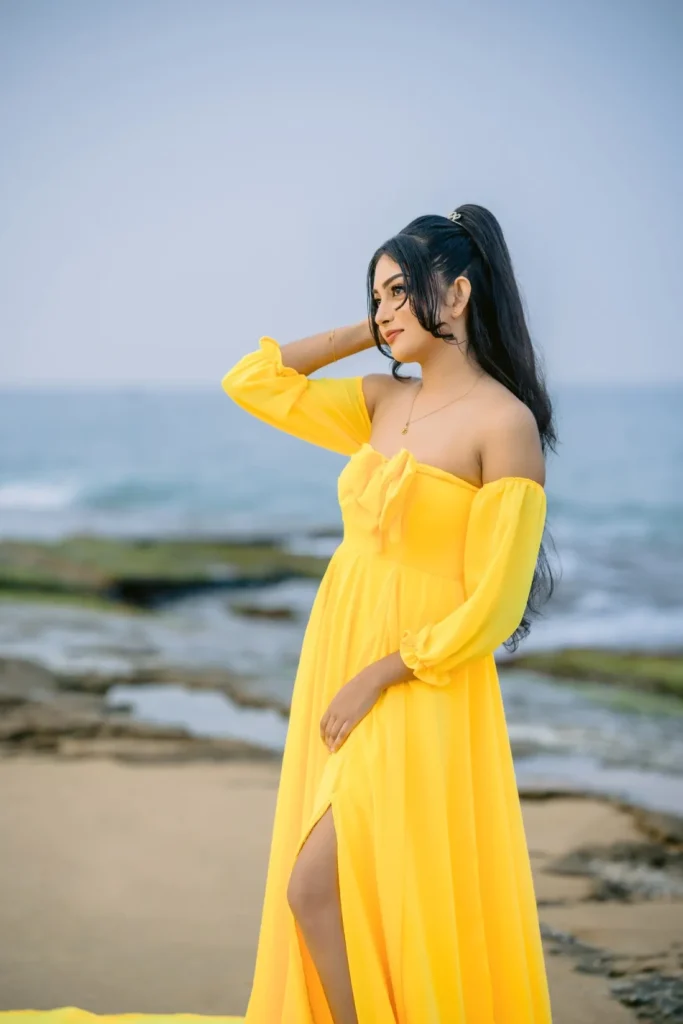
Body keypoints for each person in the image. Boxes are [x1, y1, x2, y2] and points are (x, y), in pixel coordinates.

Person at [220, 203, 557, 1023]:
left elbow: (497, 600)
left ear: (460, 294)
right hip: (341, 648)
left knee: (317, 880)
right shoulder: (378, 401)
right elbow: (251, 381)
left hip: (417, 676)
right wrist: (374, 329)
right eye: (377, 296)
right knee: (335, 882)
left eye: (401, 291)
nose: (384, 311)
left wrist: (384, 672)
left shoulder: (503, 424)